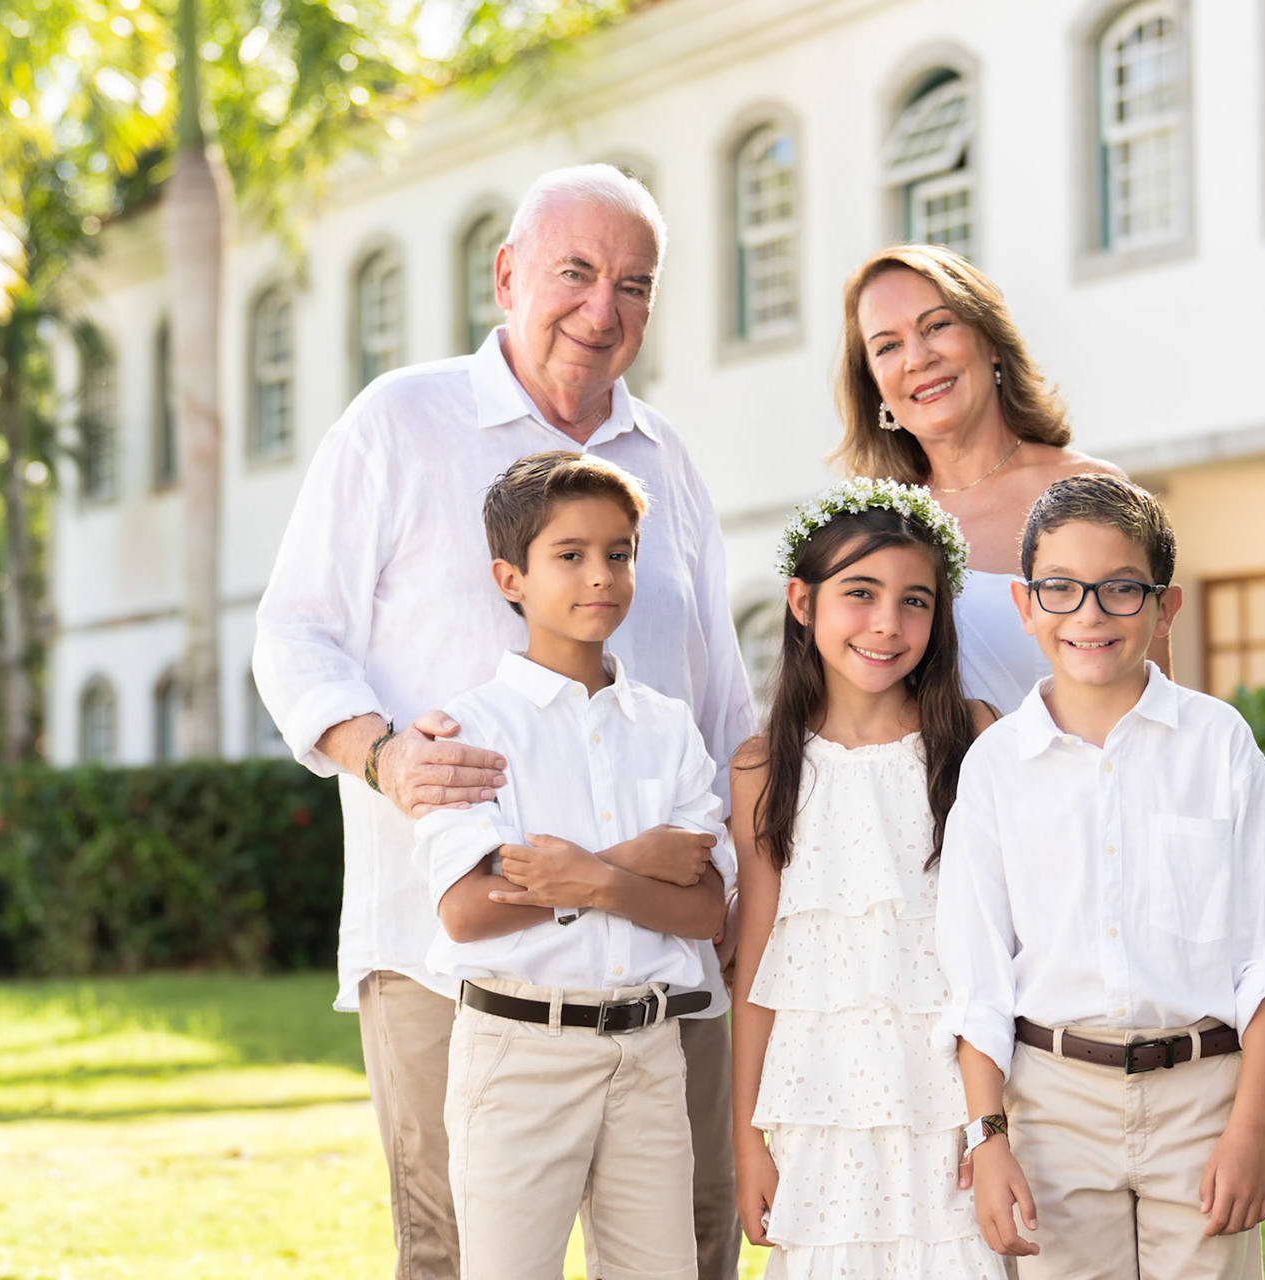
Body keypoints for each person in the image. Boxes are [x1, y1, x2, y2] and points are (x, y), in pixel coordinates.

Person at [252, 164, 753, 1280]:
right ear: (508, 273)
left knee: (695, 1237)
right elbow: (292, 633)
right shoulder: (400, 420)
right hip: (446, 950)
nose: (601, 308)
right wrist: (376, 753)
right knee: (457, 1251)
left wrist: (735, 892)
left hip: (666, 954)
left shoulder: (667, 460)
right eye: (575, 273)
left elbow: (722, 700)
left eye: (634, 283)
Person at [936, 475, 1265, 1279]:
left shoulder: (1221, 747)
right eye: (1061, 590)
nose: (1090, 615)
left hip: (1203, 1099)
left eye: (1120, 590)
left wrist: (1251, 1129)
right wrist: (989, 1138)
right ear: (1025, 603)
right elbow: (977, 981)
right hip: (1053, 1103)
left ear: (1164, 606)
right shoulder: (997, 767)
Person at [415, 452, 731, 1279]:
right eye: (571, 555)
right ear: (509, 577)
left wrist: (577, 876)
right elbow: (468, 911)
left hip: (647, 1051)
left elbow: (705, 911)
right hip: (521, 1053)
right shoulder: (468, 734)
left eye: (619, 553)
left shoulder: (666, 728)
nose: (602, 576)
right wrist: (628, 872)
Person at [728, 478, 1007, 1279]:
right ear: (802, 603)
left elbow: (1001, 937)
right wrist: (749, 1140)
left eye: (915, 601)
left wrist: (994, 1124)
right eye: (861, 594)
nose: (888, 623)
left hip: (948, 1095)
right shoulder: (762, 768)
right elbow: (757, 963)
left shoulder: (972, 738)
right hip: (822, 1103)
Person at [833, 244, 1155, 711]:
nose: (917, 358)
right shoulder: (870, 526)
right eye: (887, 346)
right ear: (874, 384)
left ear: (991, 342)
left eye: (937, 326)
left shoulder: (1091, 491)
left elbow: (1157, 702)